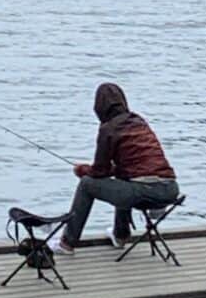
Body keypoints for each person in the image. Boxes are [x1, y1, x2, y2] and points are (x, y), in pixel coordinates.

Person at [55, 83, 180, 255]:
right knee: (123, 178)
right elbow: (130, 165)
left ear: (99, 106)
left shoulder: (108, 129)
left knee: (86, 184)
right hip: (170, 190)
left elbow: (100, 171)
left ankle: (67, 243)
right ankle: (120, 235)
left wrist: (82, 170)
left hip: (143, 191)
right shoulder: (139, 121)